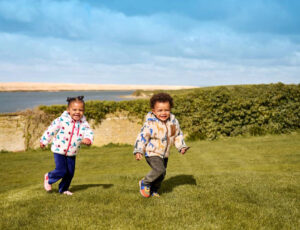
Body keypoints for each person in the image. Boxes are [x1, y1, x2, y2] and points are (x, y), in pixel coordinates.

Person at [133, 93, 189, 197]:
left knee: (162, 174)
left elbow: (177, 135)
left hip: (165, 154)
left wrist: (181, 146)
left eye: (166, 110)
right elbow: (142, 136)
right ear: (154, 111)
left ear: (170, 109)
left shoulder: (173, 122)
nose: (163, 113)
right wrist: (139, 150)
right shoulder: (150, 123)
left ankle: (153, 190)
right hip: (152, 152)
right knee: (159, 169)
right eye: (160, 110)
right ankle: (145, 182)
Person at [40, 96, 94, 195]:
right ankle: (49, 177)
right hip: (59, 149)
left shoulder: (84, 123)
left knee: (70, 173)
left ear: (83, 111)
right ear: (68, 110)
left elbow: (89, 132)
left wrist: (88, 139)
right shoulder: (61, 120)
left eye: (80, 110)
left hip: (72, 151)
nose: (77, 112)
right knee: (61, 170)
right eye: (74, 109)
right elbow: (51, 130)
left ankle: (64, 189)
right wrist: (44, 141)